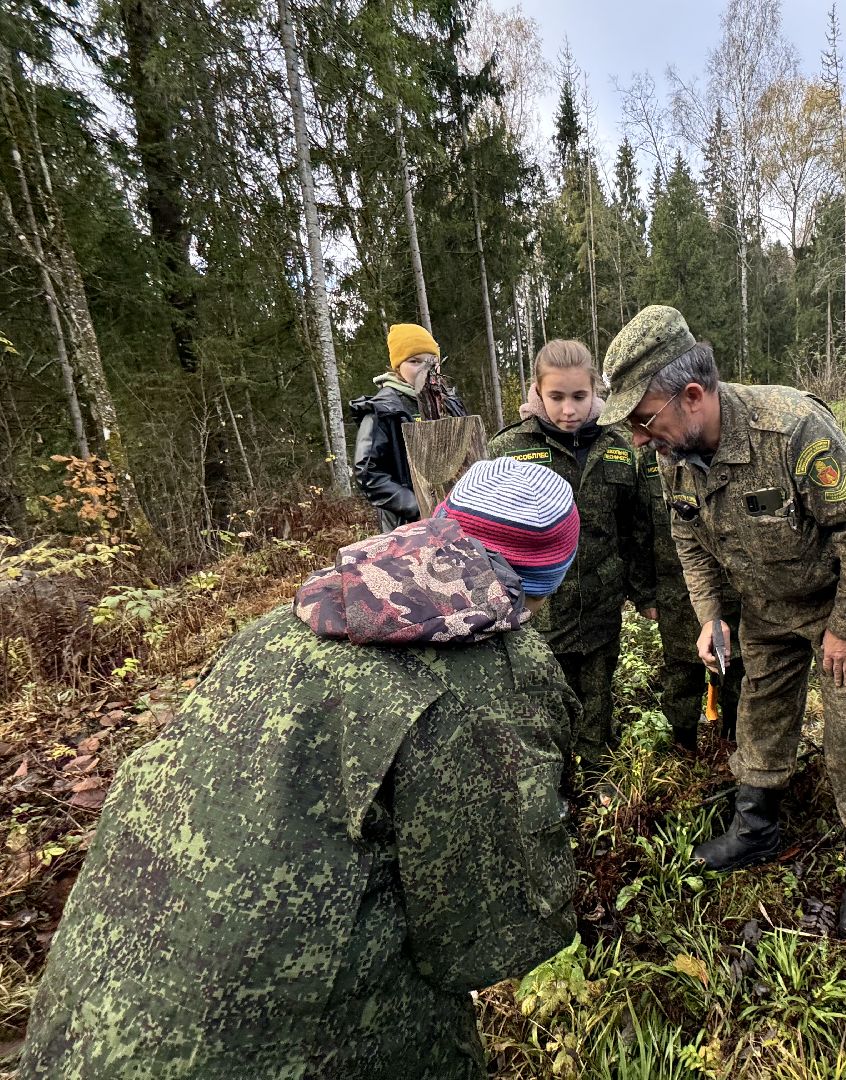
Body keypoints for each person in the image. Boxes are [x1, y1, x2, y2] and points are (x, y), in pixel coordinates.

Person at [20, 457, 584, 1079]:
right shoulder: (491, 681)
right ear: (550, 575)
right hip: (269, 1043)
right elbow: (481, 939)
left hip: (89, 995)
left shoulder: (301, 616)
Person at [599, 305, 846, 940]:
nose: (637, 438)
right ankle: (756, 826)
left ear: (692, 395)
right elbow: (688, 532)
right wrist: (711, 617)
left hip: (842, 599)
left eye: (642, 419)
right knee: (760, 713)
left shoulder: (790, 430)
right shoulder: (672, 449)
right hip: (767, 606)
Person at [489, 340, 655, 772]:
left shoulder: (619, 444)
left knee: (599, 691)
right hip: (538, 612)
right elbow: (487, 535)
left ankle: (599, 770)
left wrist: (644, 591)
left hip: (602, 602)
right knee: (543, 700)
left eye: (579, 397)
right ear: (537, 393)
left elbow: (635, 527)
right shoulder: (509, 448)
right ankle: (554, 779)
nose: (568, 410)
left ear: (595, 391)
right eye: (556, 397)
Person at [640, 443, 744, 751]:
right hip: (674, 591)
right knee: (681, 670)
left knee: (735, 667)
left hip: (732, 591)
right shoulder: (651, 461)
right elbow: (637, 529)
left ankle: (732, 738)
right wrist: (644, 593)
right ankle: (683, 741)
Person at [351, 322, 465, 532]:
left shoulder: (450, 402)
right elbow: (368, 473)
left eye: (433, 362)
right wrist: (418, 506)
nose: (426, 368)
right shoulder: (384, 409)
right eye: (414, 361)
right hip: (408, 527)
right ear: (397, 366)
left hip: (457, 516)